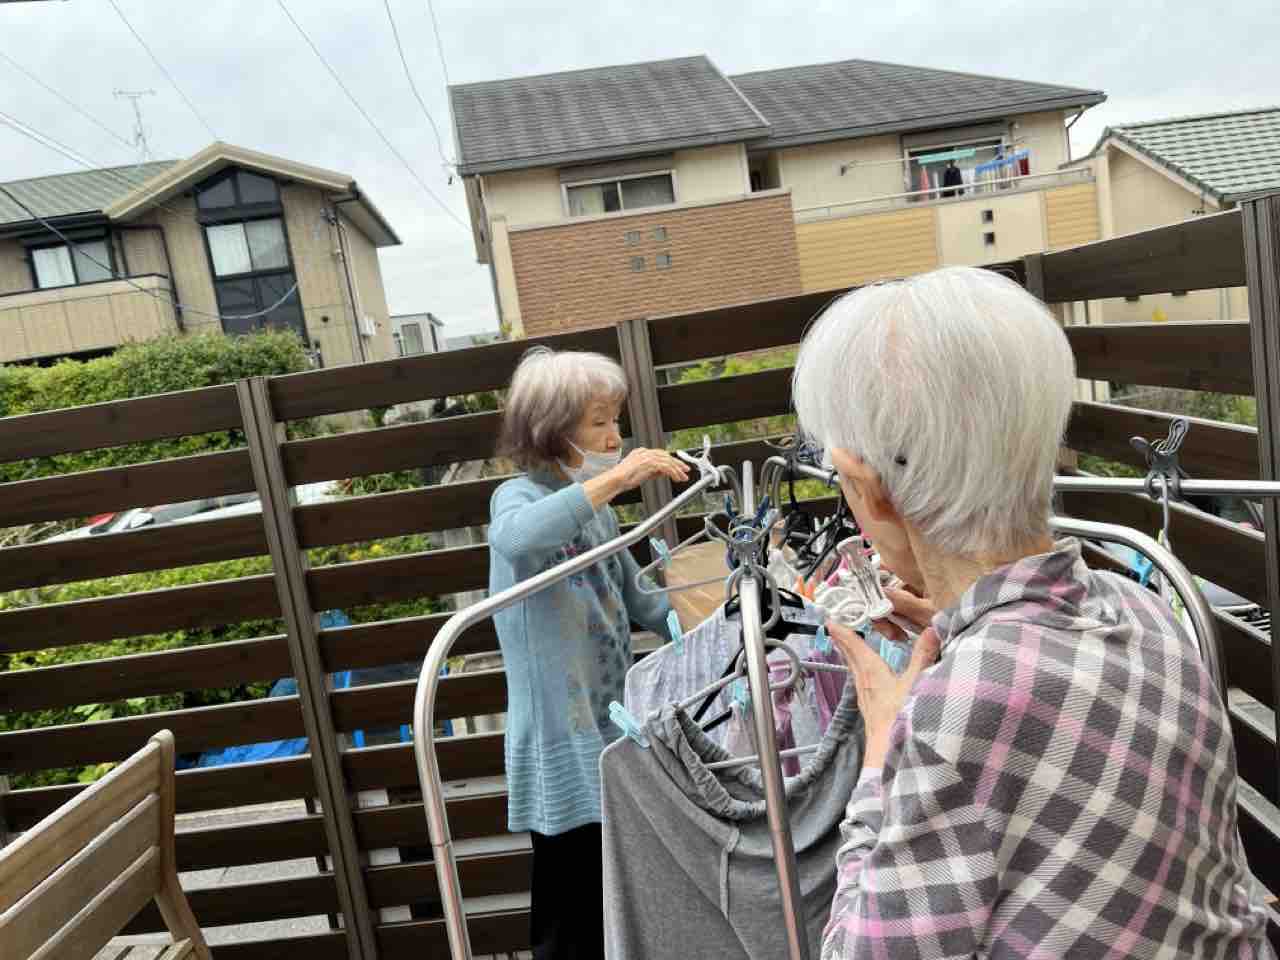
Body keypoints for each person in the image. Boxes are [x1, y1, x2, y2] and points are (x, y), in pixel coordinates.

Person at [791, 267, 1273, 959]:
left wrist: (879, 756)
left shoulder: (952, 712)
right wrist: (962, 629)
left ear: (868, 488)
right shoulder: (1148, 614)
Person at [489, 347, 689, 960]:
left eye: (615, 419)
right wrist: (618, 479)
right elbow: (517, 540)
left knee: (613, 903)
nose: (615, 436)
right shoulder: (517, 498)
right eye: (599, 421)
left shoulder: (595, 514)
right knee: (567, 915)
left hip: (608, 730)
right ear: (552, 430)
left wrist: (722, 628)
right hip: (559, 737)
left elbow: (644, 601)